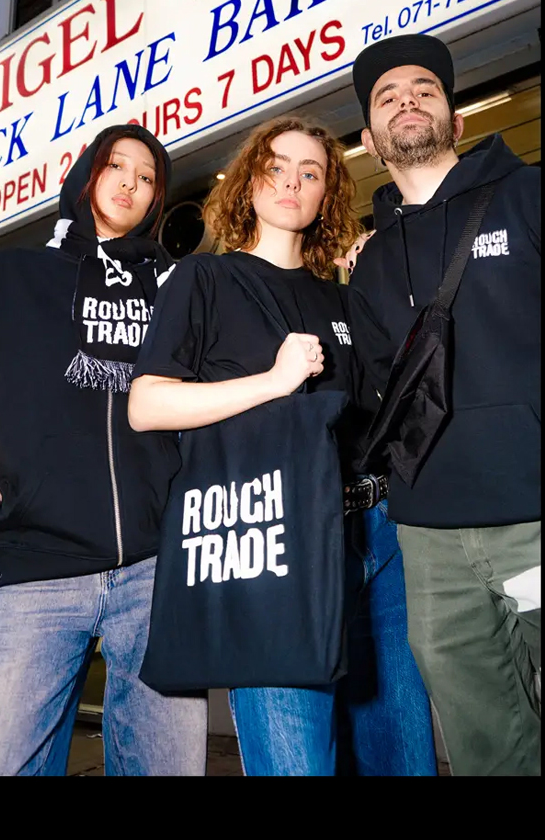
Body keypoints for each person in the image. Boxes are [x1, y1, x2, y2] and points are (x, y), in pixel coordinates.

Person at [127, 114, 436, 776]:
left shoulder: (342, 297)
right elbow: (146, 405)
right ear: (248, 182)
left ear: (328, 194)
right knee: (298, 762)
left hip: (378, 541)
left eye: (311, 172)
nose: (292, 182)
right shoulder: (204, 281)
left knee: (401, 756)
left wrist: (381, 279)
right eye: (276, 167)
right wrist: (271, 381)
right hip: (279, 543)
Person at [0, 123, 207, 775]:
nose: (130, 182)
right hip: (40, 566)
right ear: (86, 174)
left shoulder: (173, 292)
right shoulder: (6, 276)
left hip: (156, 570)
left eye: (147, 176)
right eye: (116, 166)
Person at [346, 33, 541, 775]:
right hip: (428, 536)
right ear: (369, 138)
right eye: (388, 97)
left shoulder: (527, 196)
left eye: (426, 89)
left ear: (456, 118)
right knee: (480, 732)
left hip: (532, 517)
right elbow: (373, 395)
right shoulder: (369, 266)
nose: (408, 101)